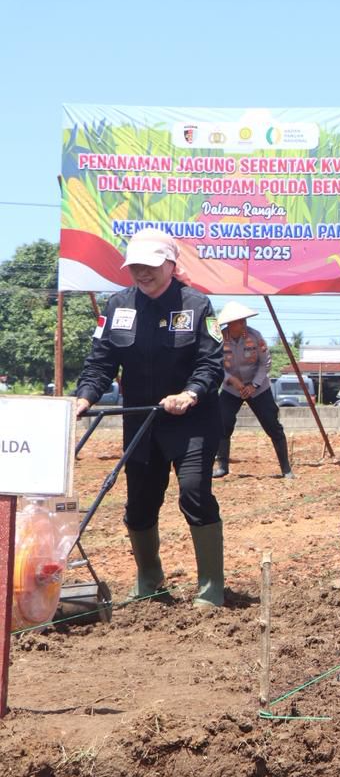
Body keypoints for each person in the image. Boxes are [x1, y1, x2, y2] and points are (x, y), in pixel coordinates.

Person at [73, 228, 226, 607]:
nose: (142, 274)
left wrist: (190, 394)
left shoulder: (197, 305)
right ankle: (149, 580)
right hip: (140, 421)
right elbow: (101, 361)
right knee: (140, 502)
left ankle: (210, 585)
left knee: (194, 491)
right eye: (135, 267)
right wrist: (85, 396)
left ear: (172, 265)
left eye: (151, 266)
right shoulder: (117, 307)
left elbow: (211, 363)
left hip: (191, 420)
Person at [213, 301, 294, 480]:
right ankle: (222, 466)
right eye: (240, 321)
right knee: (223, 422)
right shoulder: (218, 339)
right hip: (231, 388)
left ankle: (286, 468)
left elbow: (265, 363)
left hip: (258, 388)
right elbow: (214, 364)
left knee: (272, 424)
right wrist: (232, 380)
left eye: (244, 320)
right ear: (230, 323)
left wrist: (253, 385)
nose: (244, 324)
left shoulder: (255, 337)